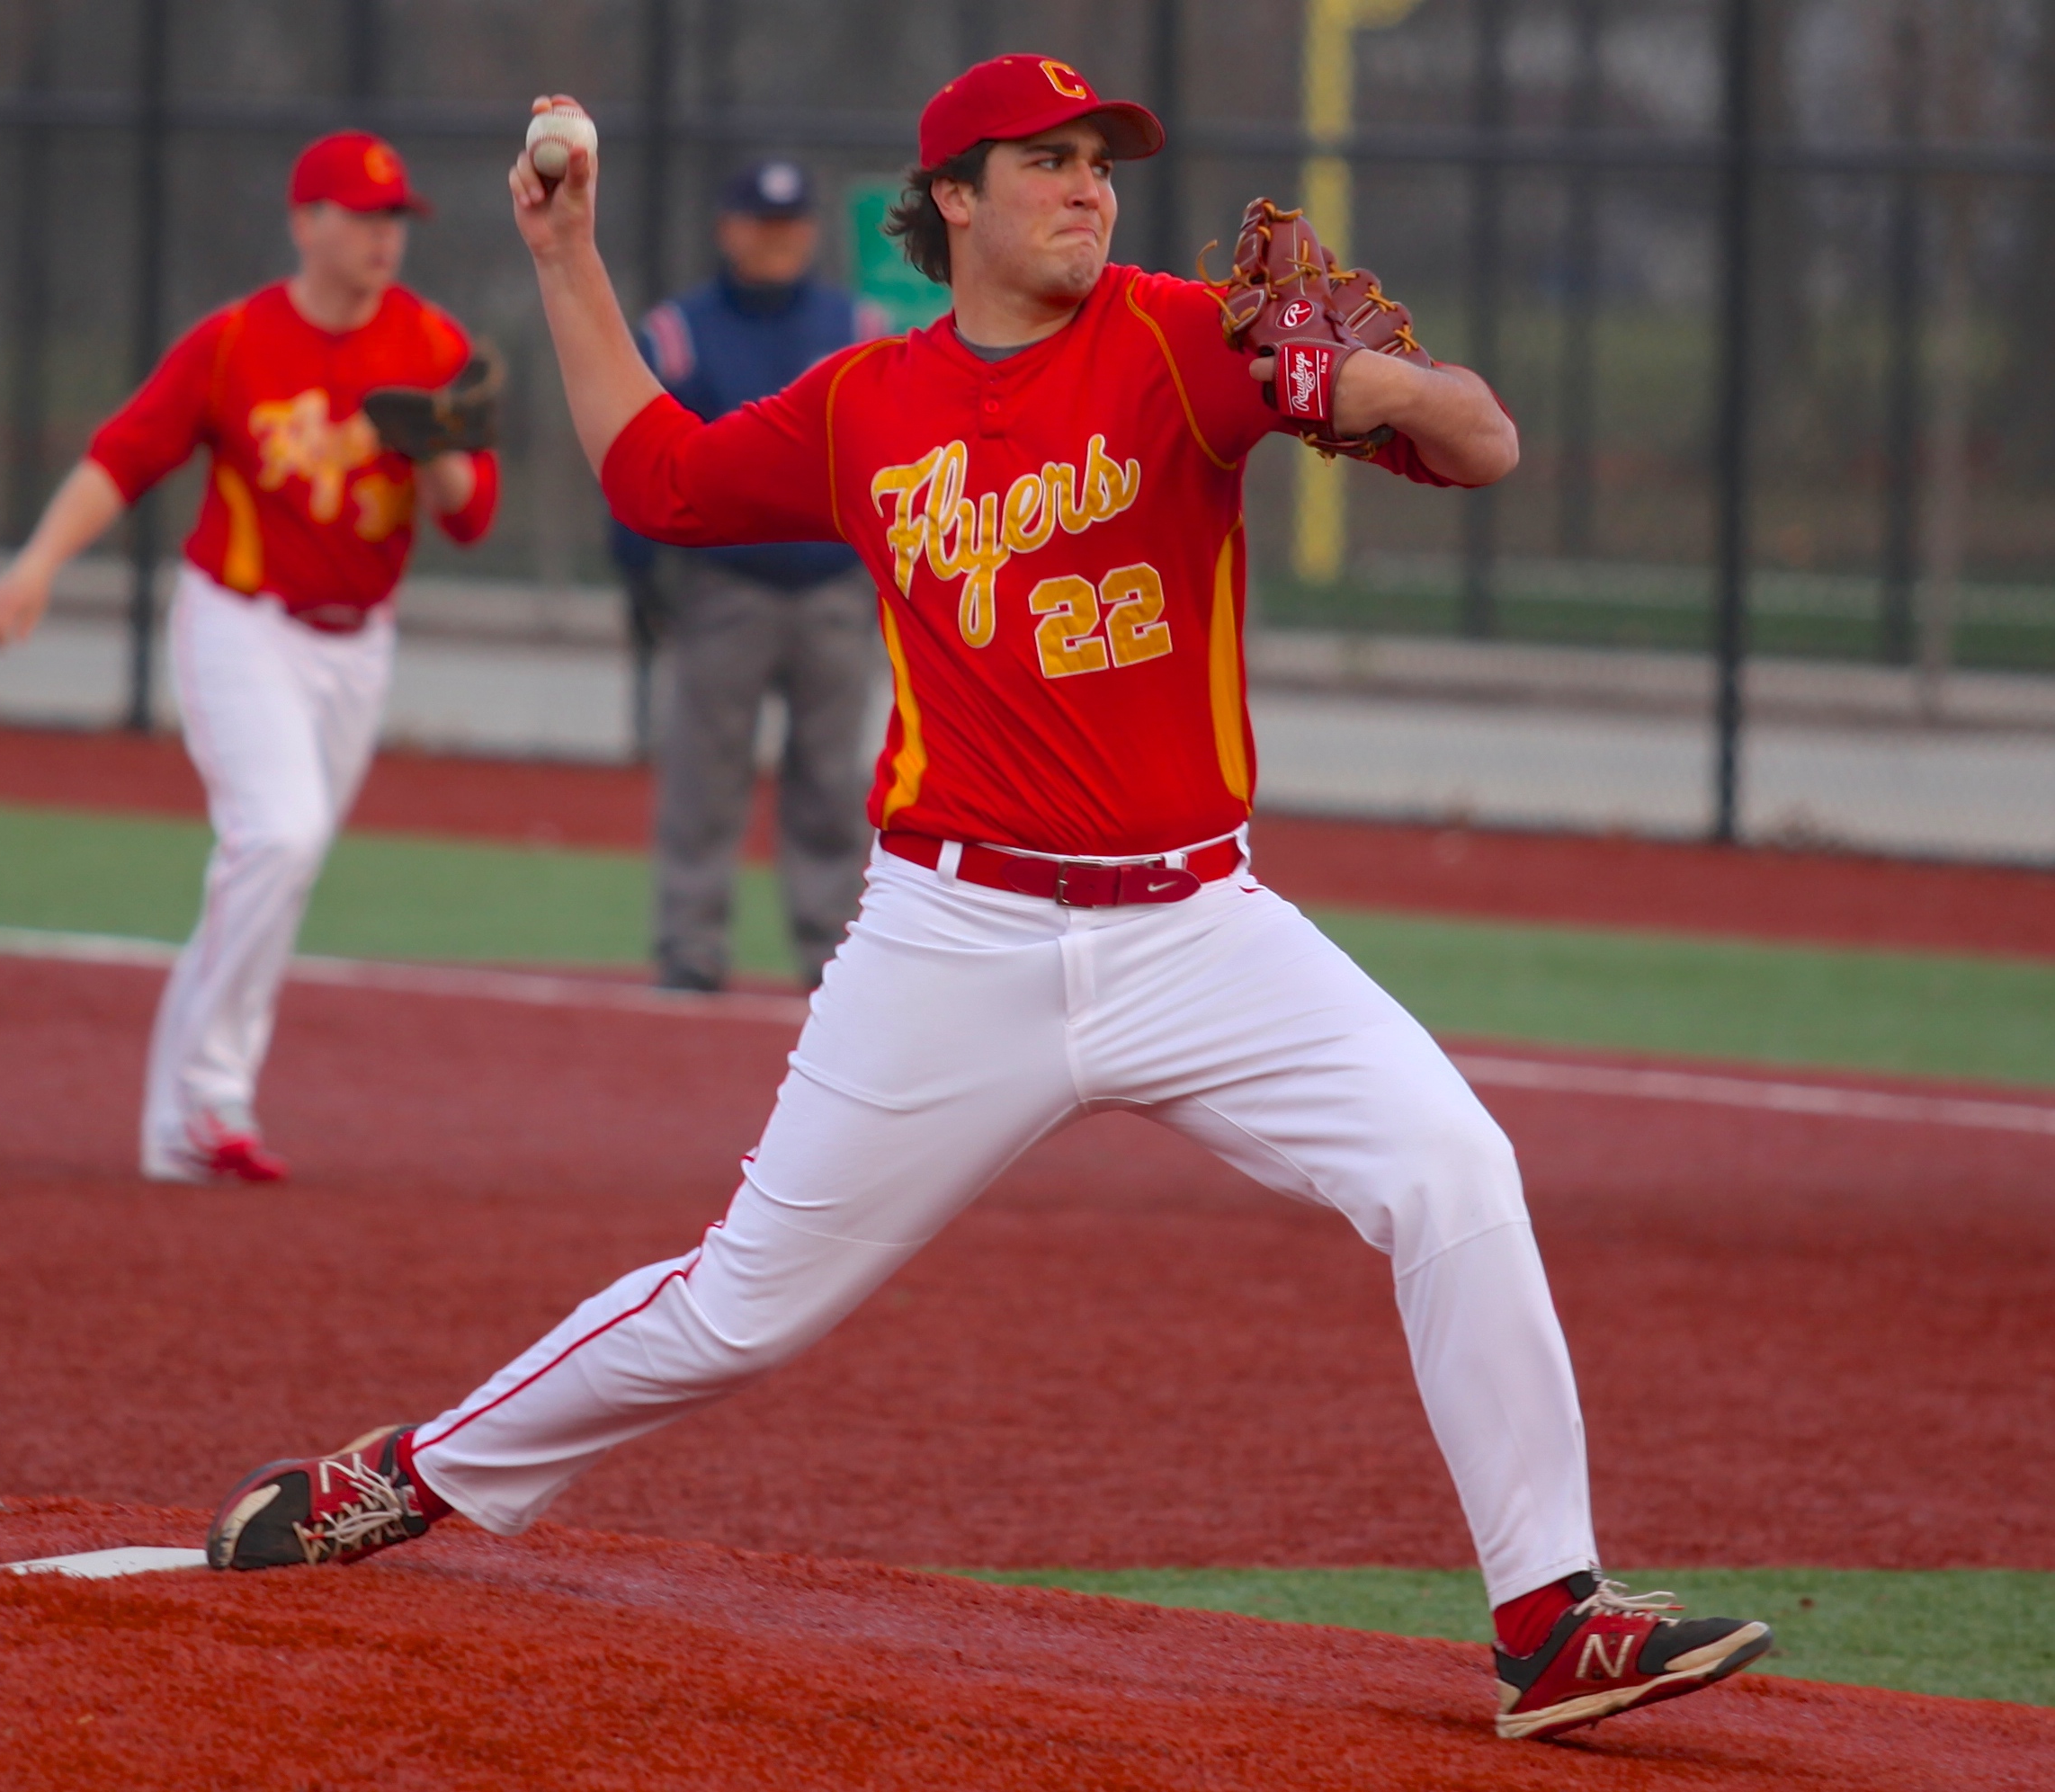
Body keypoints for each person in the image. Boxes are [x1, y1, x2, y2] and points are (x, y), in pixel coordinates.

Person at [206, 62, 1770, 1744]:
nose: (1087, 188)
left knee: (1452, 1164)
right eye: (1046, 163)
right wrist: (566, 256)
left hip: (1202, 929)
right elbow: (655, 481)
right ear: (951, 196)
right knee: (743, 1303)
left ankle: (1548, 1615)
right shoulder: (869, 400)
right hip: (952, 936)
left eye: (1099, 162)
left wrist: (1350, 374)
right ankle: (413, 1470)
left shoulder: (1183, 340)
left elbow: (1485, 437)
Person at [0, 132, 500, 1186]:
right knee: (277, 833)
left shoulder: (432, 343)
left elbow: (472, 518)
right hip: (240, 624)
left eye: (394, 219)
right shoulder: (235, 342)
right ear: (304, 222)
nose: (380, 237)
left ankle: (202, 1109)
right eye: (359, 216)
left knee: (284, 864)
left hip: (359, 646)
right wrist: (35, 564)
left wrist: (434, 449)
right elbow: (125, 454)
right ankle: (199, 1105)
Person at [613, 159, 889, 992]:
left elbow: (899, 455)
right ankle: (690, 943)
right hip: (725, 584)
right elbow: (633, 448)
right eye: (760, 223)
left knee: (834, 781)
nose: (776, 241)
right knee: (704, 773)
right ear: (728, 228)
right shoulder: (678, 332)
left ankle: (830, 948)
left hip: (834, 585)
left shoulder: (859, 325)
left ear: (810, 232)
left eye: (790, 225)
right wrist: (639, 572)